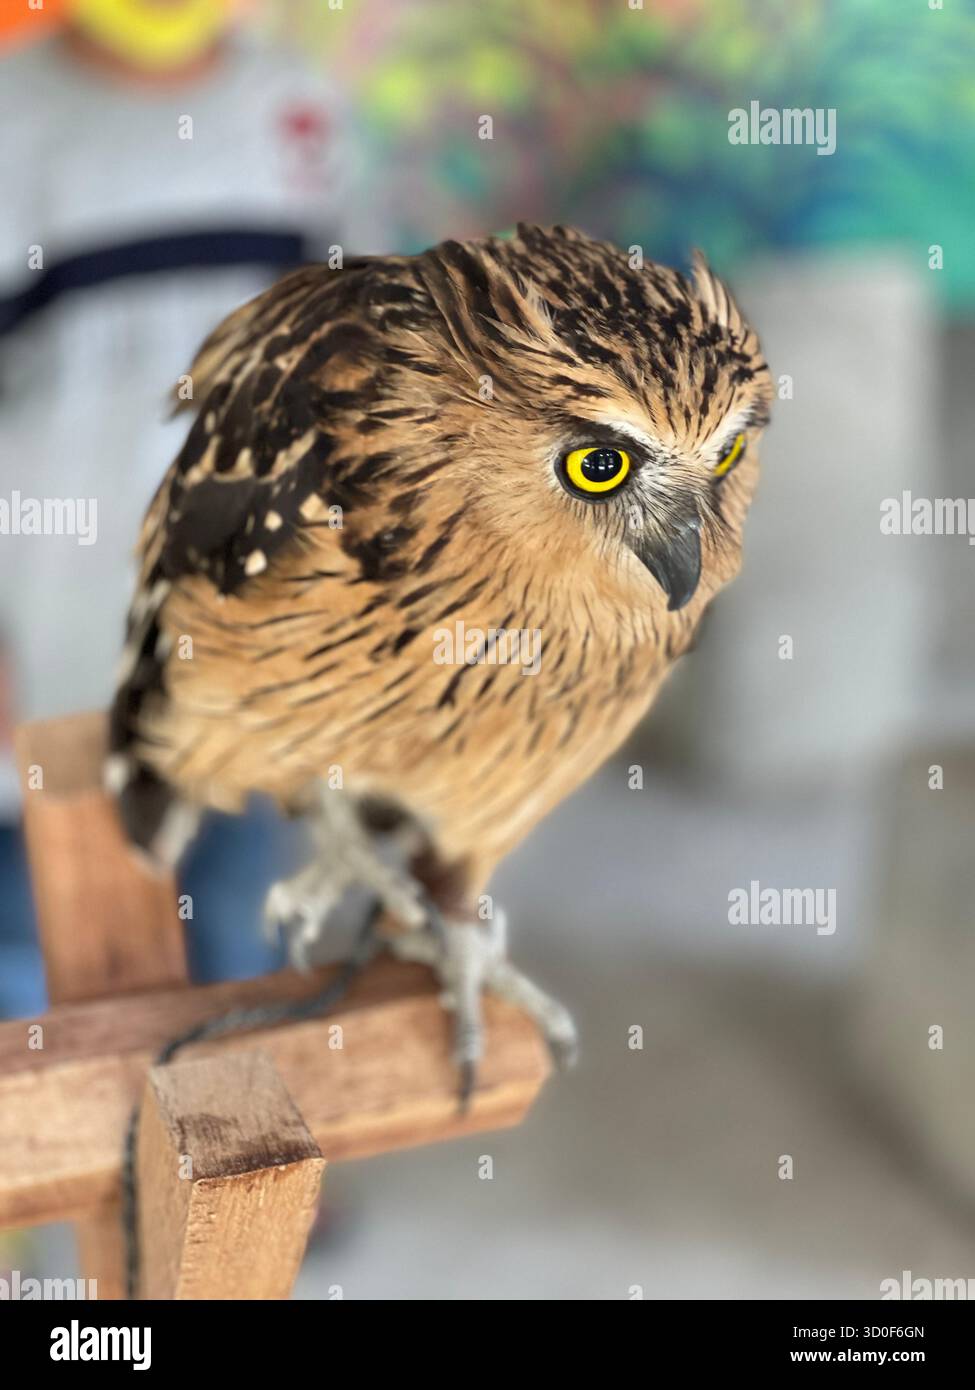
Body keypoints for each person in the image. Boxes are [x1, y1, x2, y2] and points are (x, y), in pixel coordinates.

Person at [0, 0, 367, 1010]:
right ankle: (63, 1172)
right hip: (50, 641)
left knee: (239, 927)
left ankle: (230, 1160)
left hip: (251, 631)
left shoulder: (300, 114)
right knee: (41, 958)